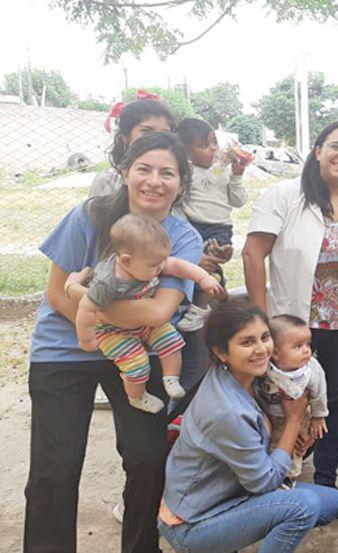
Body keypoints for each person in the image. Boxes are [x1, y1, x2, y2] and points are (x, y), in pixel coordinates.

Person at [25, 131, 203, 552]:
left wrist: (82, 295)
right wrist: (99, 327)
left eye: (167, 173)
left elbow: (159, 313)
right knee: (57, 467)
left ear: (181, 183)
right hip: (63, 348)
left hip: (137, 352)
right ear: (125, 172)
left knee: (147, 458)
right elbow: (54, 293)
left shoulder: (184, 238)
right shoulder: (88, 216)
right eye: (144, 169)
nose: (154, 181)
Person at [242, 120, 338, 501]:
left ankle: (324, 479)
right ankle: (271, 476)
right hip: (293, 322)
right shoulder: (285, 195)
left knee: (333, 401)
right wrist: (261, 321)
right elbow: (254, 253)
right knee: (279, 397)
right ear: (318, 149)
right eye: (336, 146)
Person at [158, 300, 338, 553]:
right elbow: (265, 483)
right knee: (303, 507)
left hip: (235, 490)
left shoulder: (253, 376)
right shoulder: (227, 411)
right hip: (195, 521)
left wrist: (297, 434)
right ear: (222, 352)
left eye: (265, 337)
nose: (262, 350)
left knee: (334, 501)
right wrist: (292, 423)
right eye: (247, 342)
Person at [74, 213, 222, 411]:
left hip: (146, 325)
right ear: (126, 261)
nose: (161, 268)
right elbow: (86, 308)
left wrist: (203, 279)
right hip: (114, 331)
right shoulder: (107, 282)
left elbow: (177, 265)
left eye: (162, 262)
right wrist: (86, 339)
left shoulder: (148, 260)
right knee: (137, 365)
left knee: (172, 341)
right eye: (155, 265)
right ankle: (137, 396)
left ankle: (171, 378)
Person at [175, 117, 251, 330]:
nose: (213, 149)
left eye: (214, 142)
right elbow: (179, 202)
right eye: (204, 145)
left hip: (219, 226)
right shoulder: (186, 172)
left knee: (211, 264)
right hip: (193, 225)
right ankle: (215, 301)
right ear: (188, 153)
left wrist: (237, 176)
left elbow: (239, 201)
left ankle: (200, 308)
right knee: (198, 267)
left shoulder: (223, 169)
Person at [255, 314, 329, 479]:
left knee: (295, 449)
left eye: (307, 344)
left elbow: (319, 393)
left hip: (299, 417)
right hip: (268, 416)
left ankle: (287, 478)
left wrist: (318, 416)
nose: (306, 350)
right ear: (275, 353)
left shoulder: (310, 370)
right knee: (266, 448)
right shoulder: (265, 367)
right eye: (298, 346)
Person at [90, 90, 177, 198]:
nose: (156, 139)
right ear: (125, 136)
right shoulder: (108, 180)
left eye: (164, 133)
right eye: (147, 131)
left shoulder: (176, 177)